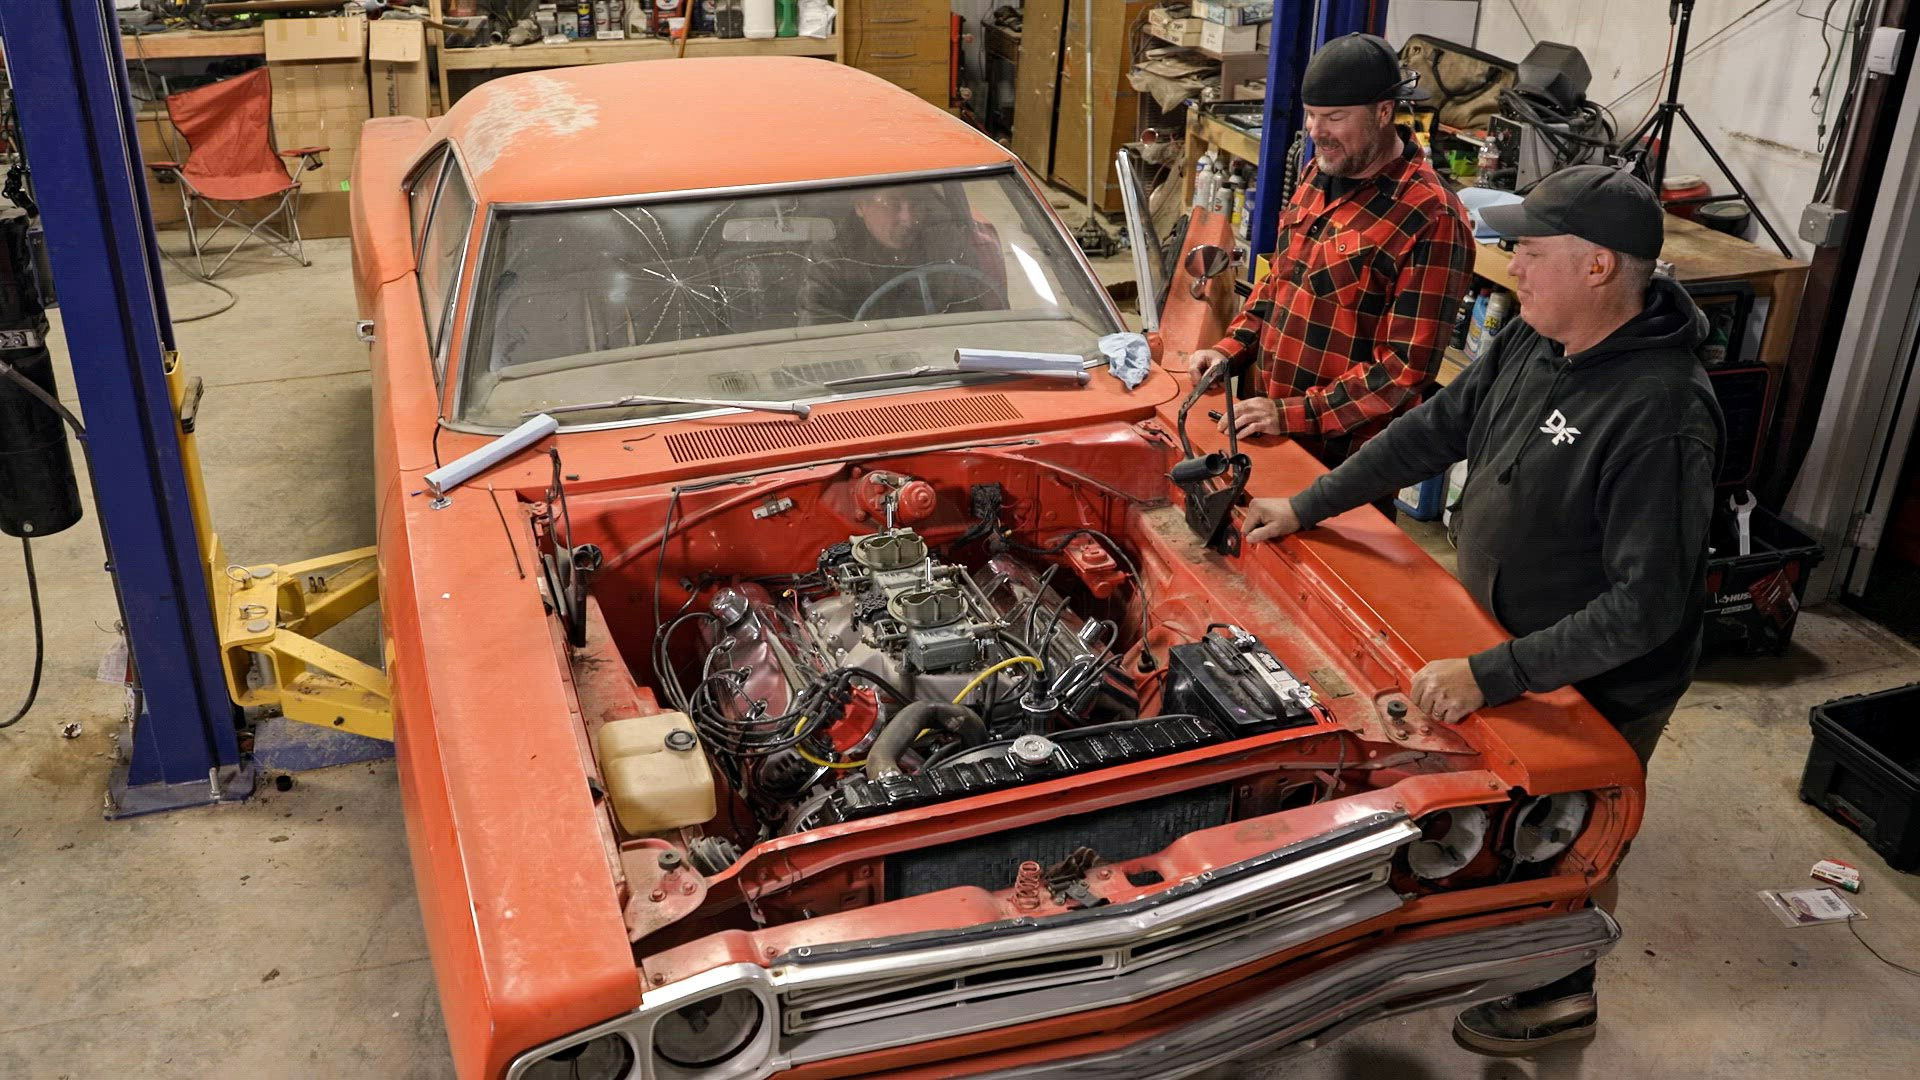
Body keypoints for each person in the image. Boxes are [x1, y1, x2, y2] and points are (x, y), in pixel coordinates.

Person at [1239, 164, 1724, 1054]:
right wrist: (1311, 502)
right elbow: (1438, 426)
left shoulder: (1662, 412)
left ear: (1599, 267)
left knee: (1567, 832)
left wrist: (1492, 675)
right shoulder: (1538, 338)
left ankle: (1557, 995)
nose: (1513, 270)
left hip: (1600, 672)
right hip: (1508, 633)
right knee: (1500, 808)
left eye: (1531, 254)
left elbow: (1644, 606)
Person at [1189, 33, 1474, 484]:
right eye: (1312, 115)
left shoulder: (1430, 217)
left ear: (1384, 112)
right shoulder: (1320, 171)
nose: (1317, 132)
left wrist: (1293, 414)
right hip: (1264, 429)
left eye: (1335, 117)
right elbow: (1279, 282)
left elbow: (1404, 371)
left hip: (1344, 465)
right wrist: (1231, 349)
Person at [799, 187, 1001, 325]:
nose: (908, 219)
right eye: (892, 204)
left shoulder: (948, 246)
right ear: (861, 206)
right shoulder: (831, 259)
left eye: (916, 204)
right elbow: (819, 334)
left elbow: (978, 321)